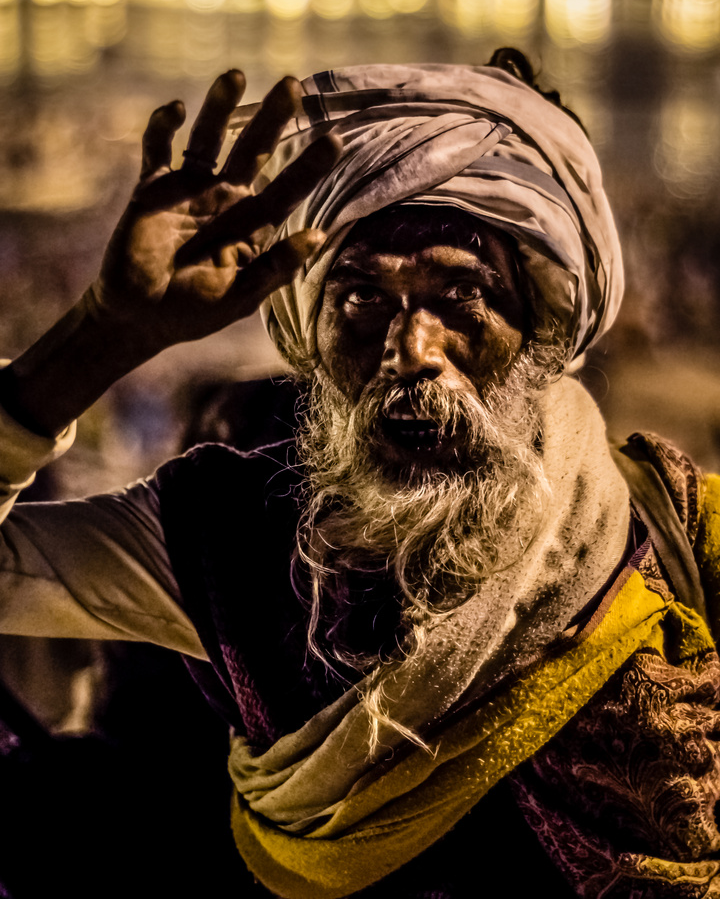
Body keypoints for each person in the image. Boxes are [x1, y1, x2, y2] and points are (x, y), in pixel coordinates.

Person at [1, 51, 719, 899]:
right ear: (308, 328)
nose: (410, 352)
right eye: (361, 301)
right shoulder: (222, 541)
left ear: (544, 326)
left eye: (461, 299)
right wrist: (104, 332)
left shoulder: (669, 528)